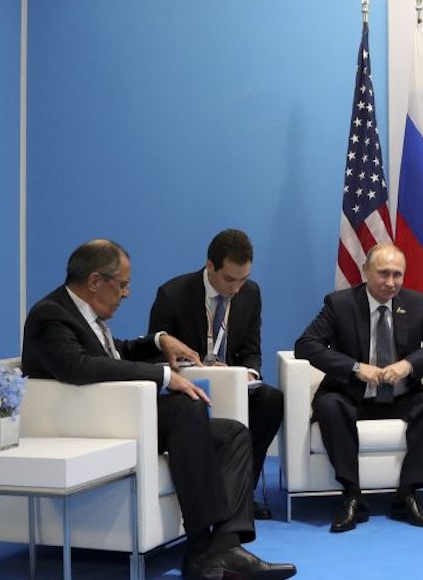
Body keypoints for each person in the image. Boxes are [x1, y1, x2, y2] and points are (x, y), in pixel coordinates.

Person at [21, 239, 296, 580]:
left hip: (122, 411)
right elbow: (79, 366)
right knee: (186, 407)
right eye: (121, 285)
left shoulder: (84, 313)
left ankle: (224, 546)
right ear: (94, 282)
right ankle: (199, 548)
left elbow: (112, 352)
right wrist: (164, 376)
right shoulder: (50, 314)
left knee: (233, 433)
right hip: (99, 422)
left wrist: (157, 341)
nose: (127, 293)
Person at [294, 243, 423, 533]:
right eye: (383, 274)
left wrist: (408, 364)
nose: (391, 282)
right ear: (365, 271)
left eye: (398, 274)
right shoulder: (340, 304)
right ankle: (352, 495)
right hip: (350, 396)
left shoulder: (417, 303)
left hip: (400, 396)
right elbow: (306, 346)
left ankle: (407, 494)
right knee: (329, 406)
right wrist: (356, 368)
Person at [148, 228, 284, 520]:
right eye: (229, 279)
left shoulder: (251, 293)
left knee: (271, 400)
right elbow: (157, 354)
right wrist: (199, 370)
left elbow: (251, 349)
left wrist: (247, 374)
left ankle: (241, 493)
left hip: (234, 382)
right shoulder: (173, 294)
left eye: (243, 279)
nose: (236, 288)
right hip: (192, 386)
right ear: (210, 265)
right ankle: (213, 496)